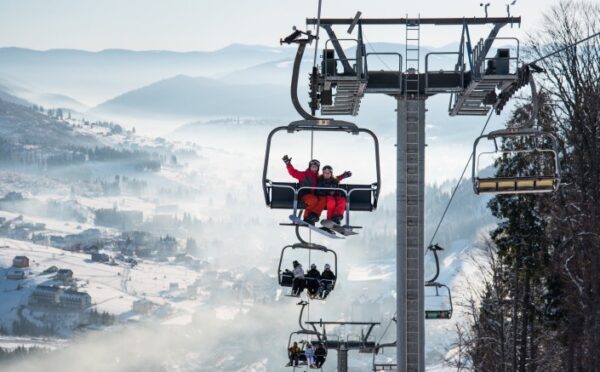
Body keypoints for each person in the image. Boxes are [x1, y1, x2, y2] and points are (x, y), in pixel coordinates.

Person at [283, 155, 326, 225]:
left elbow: (330, 179)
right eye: (312, 166)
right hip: (305, 195)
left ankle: (313, 216)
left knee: (323, 200)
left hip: (315, 196)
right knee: (313, 200)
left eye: (316, 167)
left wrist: (342, 176)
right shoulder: (304, 175)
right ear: (310, 167)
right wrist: (288, 164)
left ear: (318, 168)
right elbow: (293, 173)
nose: (314, 168)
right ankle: (307, 218)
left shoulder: (319, 177)